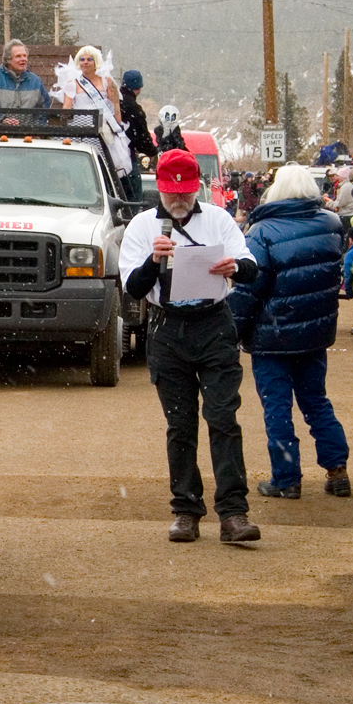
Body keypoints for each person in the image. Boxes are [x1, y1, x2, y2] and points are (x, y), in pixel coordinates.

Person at [118, 149, 262, 543]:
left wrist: (235, 266)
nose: (178, 199)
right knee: (180, 426)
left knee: (223, 419)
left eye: (184, 192)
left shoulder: (217, 219)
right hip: (167, 329)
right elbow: (132, 287)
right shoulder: (142, 225)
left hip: (214, 324)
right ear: (160, 189)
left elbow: (250, 265)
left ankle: (233, 513)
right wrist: (152, 261)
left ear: (197, 186)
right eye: (171, 192)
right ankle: (185, 511)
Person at [227, 164, 352, 499]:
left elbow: (247, 290)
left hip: (273, 335)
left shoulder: (262, 232)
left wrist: (233, 331)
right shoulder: (330, 225)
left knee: (277, 407)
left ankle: (287, 479)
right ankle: (337, 469)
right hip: (315, 333)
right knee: (316, 402)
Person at [58, 46, 130, 183]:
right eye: (82, 59)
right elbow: (66, 108)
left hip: (102, 131)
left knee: (104, 169)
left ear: (96, 61)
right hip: (81, 131)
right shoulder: (72, 83)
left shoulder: (107, 81)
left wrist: (118, 128)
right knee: (82, 169)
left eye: (89, 59)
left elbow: (115, 106)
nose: (85, 62)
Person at [0, 40, 50, 125]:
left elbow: (43, 108)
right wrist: (2, 119)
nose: (23, 59)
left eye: (24, 56)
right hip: (0, 134)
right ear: (8, 60)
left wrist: (37, 129)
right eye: (18, 56)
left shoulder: (36, 81)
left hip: (29, 135)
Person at [117, 69, 156, 202]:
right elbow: (142, 139)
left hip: (107, 156)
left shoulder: (112, 102)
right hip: (127, 158)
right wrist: (152, 151)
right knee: (133, 199)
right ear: (139, 88)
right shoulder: (134, 108)